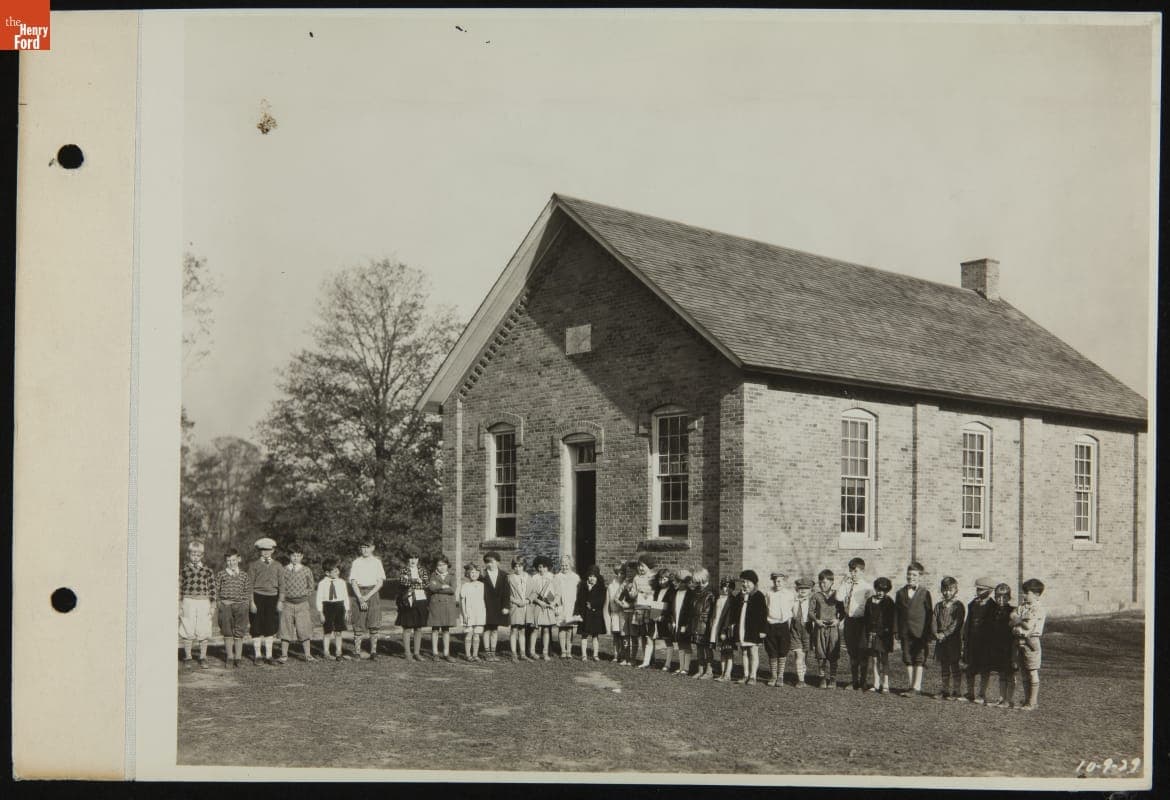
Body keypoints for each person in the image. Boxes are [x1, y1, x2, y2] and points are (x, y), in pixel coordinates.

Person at [894, 561, 934, 696]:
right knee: (907, 656)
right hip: (905, 630)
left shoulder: (925, 593)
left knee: (919, 657)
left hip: (920, 631)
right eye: (909, 574)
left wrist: (929, 632)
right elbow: (897, 613)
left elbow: (929, 614)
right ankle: (910, 685)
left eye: (915, 575)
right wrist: (896, 630)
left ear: (920, 577)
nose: (911, 577)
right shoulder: (900, 593)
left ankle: (917, 686)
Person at [837, 557, 874, 690]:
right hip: (850, 621)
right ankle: (854, 681)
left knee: (863, 651)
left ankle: (863, 681)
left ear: (862, 571)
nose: (853, 574)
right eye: (851, 571)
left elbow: (871, 607)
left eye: (855, 571)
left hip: (862, 622)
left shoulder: (867, 588)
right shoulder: (847, 585)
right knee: (852, 652)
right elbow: (838, 597)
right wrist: (843, 582)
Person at [1010, 578, 1047, 711]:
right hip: (1019, 640)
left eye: (1027, 593)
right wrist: (1018, 620)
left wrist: (1018, 620)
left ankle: (1033, 701)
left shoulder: (1038, 608)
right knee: (1024, 671)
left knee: (1032, 670)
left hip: (1031, 641)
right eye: (1023, 592)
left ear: (1036, 594)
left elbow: (1028, 626)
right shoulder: (1023, 607)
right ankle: (1026, 700)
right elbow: (1011, 619)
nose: (1024, 595)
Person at [179, 540, 217, 669]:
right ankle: (188, 657)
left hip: (203, 602)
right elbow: (179, 588)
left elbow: (212, 589)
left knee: (203, 627)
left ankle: (202, 657)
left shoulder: (208, 571)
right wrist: (179, 605)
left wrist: (212, 605)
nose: (195, 557)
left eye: (198, 554)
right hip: (188, 601)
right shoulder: (184, 570)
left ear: (202, 555)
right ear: (189, 554)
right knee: (187, 627)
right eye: (193, 554)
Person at [960, 576, 997, 703]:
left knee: (984, 669)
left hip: (985, 643)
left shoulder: (993, 607)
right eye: (978, 589)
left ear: (989, 591)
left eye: (981, 589)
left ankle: (982, 694)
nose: (978, 592)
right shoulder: (972, 605)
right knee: (970, 668)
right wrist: (964, 638)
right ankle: (970, 692)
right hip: (972, 642)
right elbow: (968, 623)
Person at [347, 539, 386, 661]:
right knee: (358, 623)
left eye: (367, 547)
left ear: (372, 548)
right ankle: (357, 652)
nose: (364, 550)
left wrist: (367, 597)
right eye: (362, 547)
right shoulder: (356, 562)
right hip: (359, 593)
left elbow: (380, 583)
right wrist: (360, 598)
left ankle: (373, 652)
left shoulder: (377, 562)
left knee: (374, 623)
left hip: (373, 593)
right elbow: (353, 581)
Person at [277, 543, 316, 663]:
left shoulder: (306, 570)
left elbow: (311, 587)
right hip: (287, 604)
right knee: (285, 629)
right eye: (293, 555)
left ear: (302, 557)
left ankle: (308, 655)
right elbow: (280, 587)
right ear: (289, 556)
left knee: (304, 629)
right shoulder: (283, 570)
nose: (295, 558)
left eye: (298, 555)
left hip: (302, 604)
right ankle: (284, 655)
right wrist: (281, 600)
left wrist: (303, 594)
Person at [247, 537, 282, 665]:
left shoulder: (278, 565)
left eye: (268, 549)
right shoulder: (253, 565)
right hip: (257, 597)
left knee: (270, 626)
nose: (266, 552)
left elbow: (282, 585)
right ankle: (258, 655)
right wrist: (251, 602)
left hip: (272, 598)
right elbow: (249, 585)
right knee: (256, 626)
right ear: (259, 551)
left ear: (273, 550)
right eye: (263, 550)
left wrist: (280, 601)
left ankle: (269, 655)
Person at [215, 548, 251, 668]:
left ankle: (238, 657)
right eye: (229, 561)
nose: (231, 563)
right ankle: (230, 657)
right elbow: (216, 590)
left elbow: (247, 590)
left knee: (239, 631)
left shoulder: (244, 575)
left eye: (234, 560)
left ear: (239, 559)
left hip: (240, 606)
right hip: (226, 605)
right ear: (226, 561)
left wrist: (245, 604)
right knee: (227, 631)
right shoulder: (221, 574)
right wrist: (219, 603)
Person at [730, 570, 768, 685]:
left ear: (754, 583)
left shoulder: (758, 596)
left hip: (753, 629)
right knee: (744, 652)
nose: (745, 584)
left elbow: (763, 614)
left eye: (748, 582)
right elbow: (734, 611)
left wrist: (762, 630)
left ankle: (753, 676)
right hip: (742, 627)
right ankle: (745, 674)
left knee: (753, 651)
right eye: (743, 582)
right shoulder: (740, 596)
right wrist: (741, 596)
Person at [932, 576, 965, 700]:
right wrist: (936, 633)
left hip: (953, 640)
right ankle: (945, 690)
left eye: (950, 590)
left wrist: (945, 634)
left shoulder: (958, 606)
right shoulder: (938, 606)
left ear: (956, 590)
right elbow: (934, 620)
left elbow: (957, 623)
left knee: (954, 665)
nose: (947, 593)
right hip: (940, 640)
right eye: (945, 590)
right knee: (944, 665)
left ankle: (956, 691)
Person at [810, 569, 843, 689]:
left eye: (824, 582)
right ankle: (822, 678)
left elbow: (843, 611)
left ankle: (833, 679)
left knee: (833, 653)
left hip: (833, 628)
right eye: (820, 583)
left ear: (831, 582)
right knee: (821, 654)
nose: (822, 585)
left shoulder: (837, 595)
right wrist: (816, 620)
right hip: (820, 628)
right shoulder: (816, 596)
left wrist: (838, 620)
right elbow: (810, 612)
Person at [864, 576, 896, 693]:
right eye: (878, 590)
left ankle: (885, 684)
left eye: (884, 590)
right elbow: (866, 618)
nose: (880, 593)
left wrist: (890, 632)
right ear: (875, 589)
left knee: (884, 659)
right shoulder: (869, 601)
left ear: (887, 591)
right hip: (872, 633)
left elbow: (892, 619)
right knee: (874, 659)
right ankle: (876, 683)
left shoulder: (889, 602)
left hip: (884, 635)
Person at [763, 570, 795, 687]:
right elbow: (766, 609)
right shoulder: (769, 594)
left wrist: (790, 624)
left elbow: (792, 609)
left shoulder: (789, 594)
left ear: (784, 581)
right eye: (775, 581)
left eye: (780, 581)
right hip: (771, 624)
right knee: (772, 650)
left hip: (783, 625)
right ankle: (773, 676)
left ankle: (780, 676)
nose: (778, 583)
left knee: (783, 650)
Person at [988, 583, 1017, 707]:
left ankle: (1008, 699)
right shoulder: (993, 611)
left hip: (1009, 647)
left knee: (1010, 674)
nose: (1001, 600)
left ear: (1009, 598)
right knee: (1001, 673)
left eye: (1004, 597)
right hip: (998, 646)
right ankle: (1001, 697)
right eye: (998, 597)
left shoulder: (1012, 611)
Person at [397, 550, 430, 662]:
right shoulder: (404, 570)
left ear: (418, 560)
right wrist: (416, 580)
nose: (413, 560)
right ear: (408, 559)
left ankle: (416, 653)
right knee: (407, 627)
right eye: (411, 558)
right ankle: (407, 653)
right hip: (408, 600)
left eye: (415, 558)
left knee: (418, 627)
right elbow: (402, 582)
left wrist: (411, 581)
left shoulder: (422, 570)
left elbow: (426, 584)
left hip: (420, 600)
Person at [315, 558, 350, 661]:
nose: (337, 572)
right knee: (327, 631)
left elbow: (345, 597)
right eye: (334, 571)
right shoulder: (322, 584)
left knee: (338, 631)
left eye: (338, 570)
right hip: (327, 607)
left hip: (339, 607)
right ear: (327, 573)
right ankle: (326, 652)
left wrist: (347, 610)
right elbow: (319, 599)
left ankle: (338, 652)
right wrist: (321, 613)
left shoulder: (342, 582)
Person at [427, 555, 458, 661]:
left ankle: (446, 653)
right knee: (435, 629)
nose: (442, 567)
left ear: (447, 565)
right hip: (435, 605)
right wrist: (443, 586)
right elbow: (431, 588)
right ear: (436, 567)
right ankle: (435, 653)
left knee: (446, 630)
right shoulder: (433, 575)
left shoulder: (452, 576)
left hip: (448, 606)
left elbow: (452, 589)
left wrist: (438, 588)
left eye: (444, 565)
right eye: (439, 565)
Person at [480, 551, 510, 662]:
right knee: (487, 629)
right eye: (487, 562)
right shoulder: (482, 575)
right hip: (486, 606)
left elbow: (507, 592)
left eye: (491, 562)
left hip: (498, 606)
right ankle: (487, 653)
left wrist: (506, 606)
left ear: (498, 562)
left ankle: (493, 652)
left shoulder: (503, 575)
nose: (489, 564)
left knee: (495, 630)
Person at [687, 568, 716, 679]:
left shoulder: (711, 592)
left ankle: (709, 671)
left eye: (698, 580)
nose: (697, 583)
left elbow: (713, 610)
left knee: (707, 648)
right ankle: (700, 669)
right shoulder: (696, 592)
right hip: (696, 623)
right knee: (699, 648)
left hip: (706, 624)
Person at [528, 555, 558, 660]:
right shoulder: (534, 578)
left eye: (544, 567)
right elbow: (531, 593)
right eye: (540, 567)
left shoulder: (552, 577)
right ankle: (532, 651)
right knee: (535, 629)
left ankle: (545, 652)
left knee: (546, 629)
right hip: (537, 605)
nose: (542, 569)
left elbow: (554, 593)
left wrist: (551, 603)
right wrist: (539, 602)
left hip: (547, 606)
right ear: (537, 567)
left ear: (548, 567)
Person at [575, 565, 608, 661]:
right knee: (584, 635)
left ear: (597, 577)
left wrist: (592, 605)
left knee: (595, 635)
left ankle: (595, 654)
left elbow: (602, 601)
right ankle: (584, 654)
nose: (591, 578)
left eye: (594, 576)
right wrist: (578, 612)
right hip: (585, 614)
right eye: (590, 576)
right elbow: (579, 600)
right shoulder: (583, 586)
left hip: (596, 615)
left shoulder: (601, 588)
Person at [708, 576, 737, 682]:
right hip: (717, 626)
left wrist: (724, 630)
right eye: (724, 586)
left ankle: (728, 673)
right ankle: (722, 672)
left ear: (732, 588)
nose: (726, 589)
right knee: (722, 651)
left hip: (727, 629)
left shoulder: (732, 600)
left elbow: (730, 617)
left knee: (728, 651)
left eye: (729, 587)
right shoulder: (719, 599)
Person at [630, 555, 657, 668]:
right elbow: (632, 594)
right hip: (639, 609)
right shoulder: (636, 578)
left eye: (643, 566)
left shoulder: (654, 578)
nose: (640, 569)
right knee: (642, 635)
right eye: (639, 566)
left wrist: (648, 592)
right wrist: (635, 592)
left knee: (650, 636)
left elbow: (656, 593)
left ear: (649, 566)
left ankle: (650, 660)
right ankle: (646, 659)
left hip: (650, 609)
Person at [643, 568, 672, 670]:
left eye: (664, 579)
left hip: (664, 618)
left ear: (669, 579)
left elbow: (672, 607)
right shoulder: (657, 590)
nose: (662, 581)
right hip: (654, 616)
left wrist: (664, 616)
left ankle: (668, 664)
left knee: (667, 640)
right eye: (660, 579)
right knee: (650, 638)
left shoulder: (672, 591)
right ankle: (646, 662)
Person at [553, 555, 581, 659]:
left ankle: (569, 650)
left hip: (572, 605)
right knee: (562, 628)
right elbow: (552, 592)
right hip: (561, 605)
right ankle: (563, 650)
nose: (564, 567)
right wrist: (555, 604)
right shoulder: (557, 577)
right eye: (562, 565)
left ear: (571, 565)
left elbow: (578, 593)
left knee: (570, 629)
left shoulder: (575, 577)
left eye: (566, 565)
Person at [668, 569, 694, 676]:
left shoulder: (690, 594)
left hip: (685, 624)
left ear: (684, 582)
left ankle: (686, 668)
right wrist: (673, 620)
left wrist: (685, 625)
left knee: (686, 644)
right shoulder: (675, 593)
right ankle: (681, 666)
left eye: (677, 581)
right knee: (679, 644)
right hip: (676, 622)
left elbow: (690, 612)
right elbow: (672, 608)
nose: (674, 583)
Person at [789, 578, 814, 687]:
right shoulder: (793, 601)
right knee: (798, 654)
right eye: (800, 588)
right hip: (795, 629)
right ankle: (801, 679)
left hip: (808, 629)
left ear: (811, 590)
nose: (803, 590)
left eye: (806, 588)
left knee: (805, 655)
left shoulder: (812, 601)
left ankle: (803, 675)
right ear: (796, 589)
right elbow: (789, 614)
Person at [459, 563, 487, 661]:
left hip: (479, 612)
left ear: (479, 573)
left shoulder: (482, 585)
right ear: (467, 574)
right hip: (469, 612)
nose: (474, 574)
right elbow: (462, 601)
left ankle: (475, 654)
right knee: (469, 633)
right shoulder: (465, 585)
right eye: (471, 572)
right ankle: (468, 655)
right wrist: (464, 614)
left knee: (476, 634)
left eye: (476, 572)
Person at [507, 556, 531, 662]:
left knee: (522, 630)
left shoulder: (528, 577)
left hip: (525, 606)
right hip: (515, 606)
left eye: (520, 566)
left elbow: (534, 592)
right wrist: (516, 601)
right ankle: (514, 653)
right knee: (514, 629)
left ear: (523, 566)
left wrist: (528, 600)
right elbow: (506, 593)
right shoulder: (509, 578)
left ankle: (523, 653)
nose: (518, 568)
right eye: (516, 566)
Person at [606, 563, 629, 665]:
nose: (620, 575)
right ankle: (616, 654)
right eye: (618, 573)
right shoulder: (611, 586)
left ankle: (623, 655)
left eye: (622, 573)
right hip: (615, 613)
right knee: (616, 635)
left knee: (623, 635)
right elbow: (608, 602)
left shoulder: (627, 584)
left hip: (624, 613)